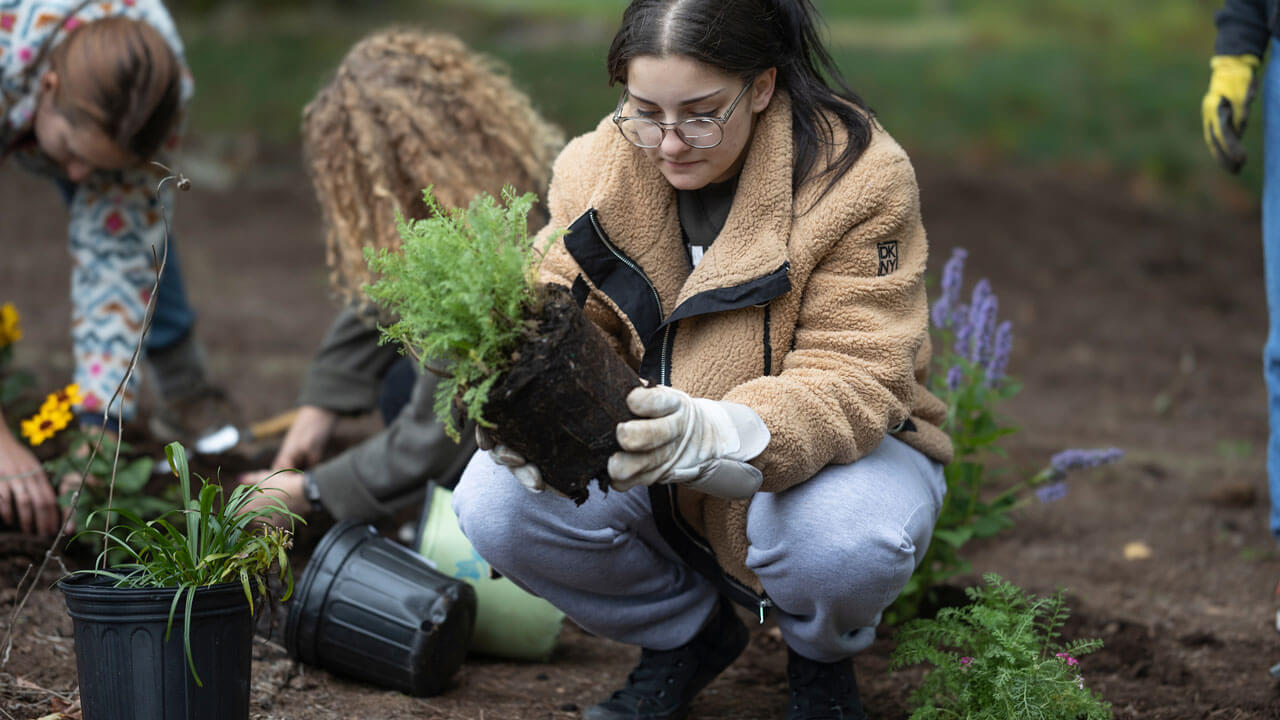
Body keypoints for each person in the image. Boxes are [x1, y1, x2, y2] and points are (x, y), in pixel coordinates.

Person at [450, 1, 954, 718]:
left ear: (761, 86)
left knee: (842, 543)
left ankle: (820, 664)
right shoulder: (594, 167)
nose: (669, 143)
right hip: (651, 454)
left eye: (699, 113)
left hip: (839, 457)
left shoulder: (857, 179)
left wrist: (720, 432)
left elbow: (859, 373)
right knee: (495, 507)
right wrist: (528, 417)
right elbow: (562, 316)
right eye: (644, 109)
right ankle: (688, 633)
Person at [237, 29, 564, 523]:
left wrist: (309, 492)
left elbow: (434, 434)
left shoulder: (475, 260)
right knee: (396, 379)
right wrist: (321, 404)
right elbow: (382, 291)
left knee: (401, 391)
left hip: (543, 452)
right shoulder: (518, 174)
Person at [0, 0, 237, 537]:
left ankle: (184, 385)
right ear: (49, 84)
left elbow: (119, 256)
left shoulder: (154, 95)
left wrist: (98, 428)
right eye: (68, 150)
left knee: (142, 227)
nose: (78, 174)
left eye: (98, 165)